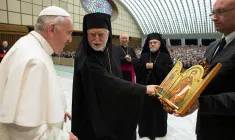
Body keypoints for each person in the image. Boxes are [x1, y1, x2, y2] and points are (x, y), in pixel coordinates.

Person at [161, 0, 235, 140]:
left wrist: (200, 102)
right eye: (213, 13)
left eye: (220, 12)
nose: (214, 18)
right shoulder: (213, 46)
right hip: (206, 127)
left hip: (234, 131)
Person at [71, 13, 158, 140]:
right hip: (92, 115)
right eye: (92, 34)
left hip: (110, 110)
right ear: (86, 34)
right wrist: (143, 89)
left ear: (108, 34)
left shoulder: (110, 51)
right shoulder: (85, 58)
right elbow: (108, 82)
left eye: (101, 34)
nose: (96, 39)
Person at [0, 6, 78, 140]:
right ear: (52, 29)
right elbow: (24, 133)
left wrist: (56, 110)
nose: (70, 39)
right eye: (68, 33)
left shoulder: (28, 45)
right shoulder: (35, 60)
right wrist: (66, 138)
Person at [134, 33, 173, 140]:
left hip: (160, 90)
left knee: (159, 112)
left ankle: (159, 131)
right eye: (150, 42)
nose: (152, 44)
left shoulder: (165, 56)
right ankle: (144, 131)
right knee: (145, 112)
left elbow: (170, 72)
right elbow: (137, 69)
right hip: (146, 90)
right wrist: (144, 66)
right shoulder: (144, 55)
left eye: (155, 42)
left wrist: (155, 67)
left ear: (160, 44)